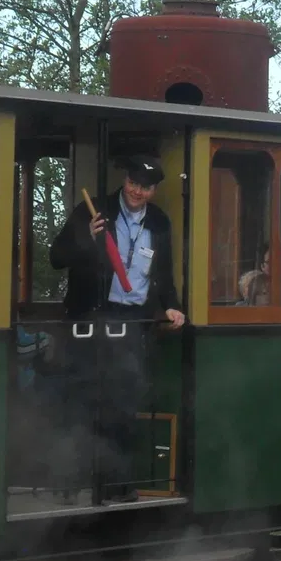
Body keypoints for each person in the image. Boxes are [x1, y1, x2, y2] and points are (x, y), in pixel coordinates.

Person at [49, 157, 184, 504]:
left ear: (155, 190)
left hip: (131, 321)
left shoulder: (159, 222)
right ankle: (72, 486)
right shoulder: (93, 210)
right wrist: (85, 236)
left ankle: (118, 484)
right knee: (81, 402)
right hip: (91, 320)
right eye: (133, 182)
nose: (138, 191)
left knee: (124, 404)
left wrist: (171, 305)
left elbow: (163, 275)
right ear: (124, 179)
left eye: (146, 186)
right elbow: (56, 257)